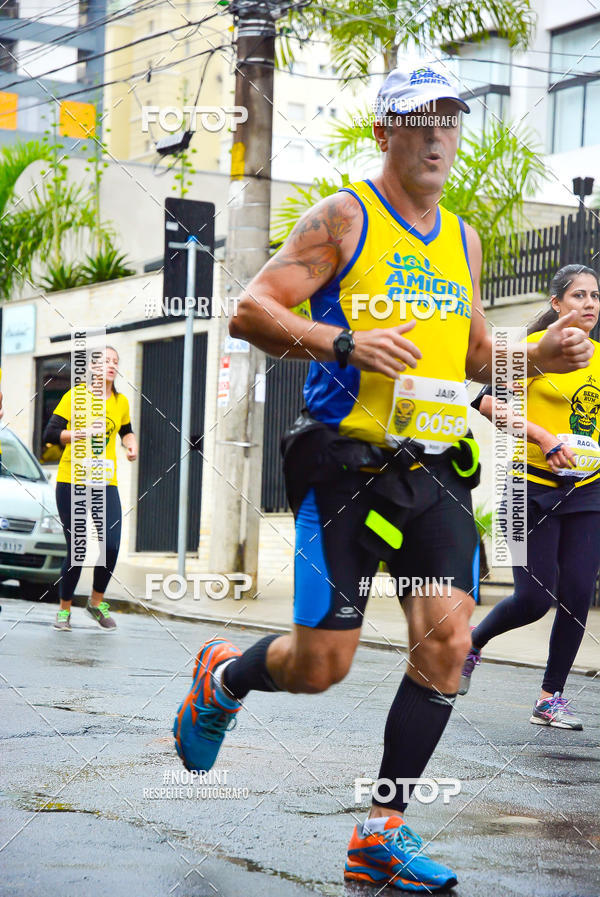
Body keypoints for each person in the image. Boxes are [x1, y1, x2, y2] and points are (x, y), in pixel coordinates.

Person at [173, 63, 593, 892]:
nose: (438, 135)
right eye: (419, 119)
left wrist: (537, 355)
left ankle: (381, 831)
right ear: (385, 132)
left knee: (448, 643)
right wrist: (342, 342)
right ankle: (223, 678)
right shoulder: (344, 218)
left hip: (435, 469)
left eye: (450, 119)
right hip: (345, 465)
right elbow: (251, 309)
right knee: (322, 663)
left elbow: (476, 355)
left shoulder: (463, 238)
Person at [460, 264, 600, 731]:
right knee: (534, 598)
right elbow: (485, 402)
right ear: (557, 303)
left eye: (595, 295)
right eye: (578, 295)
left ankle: (550, 698)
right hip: (529, 488)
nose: (589, 303)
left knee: (578, 594)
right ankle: (471, 643)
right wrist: (541, 435)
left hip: (587, 490)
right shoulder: (534, 350)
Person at [43, 346, 137, 631]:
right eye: (105, 361)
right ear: (93, 367)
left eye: (115, 361)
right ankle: (64, 610)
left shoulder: (120, 402)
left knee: (111, 544)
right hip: (72, 480)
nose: (111, 365)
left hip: (104, 482)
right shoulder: (75, 397)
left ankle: (96, 604)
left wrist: (131, 445)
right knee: (78, 547)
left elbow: (126, 431)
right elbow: (50, 434)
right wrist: (81, 433)